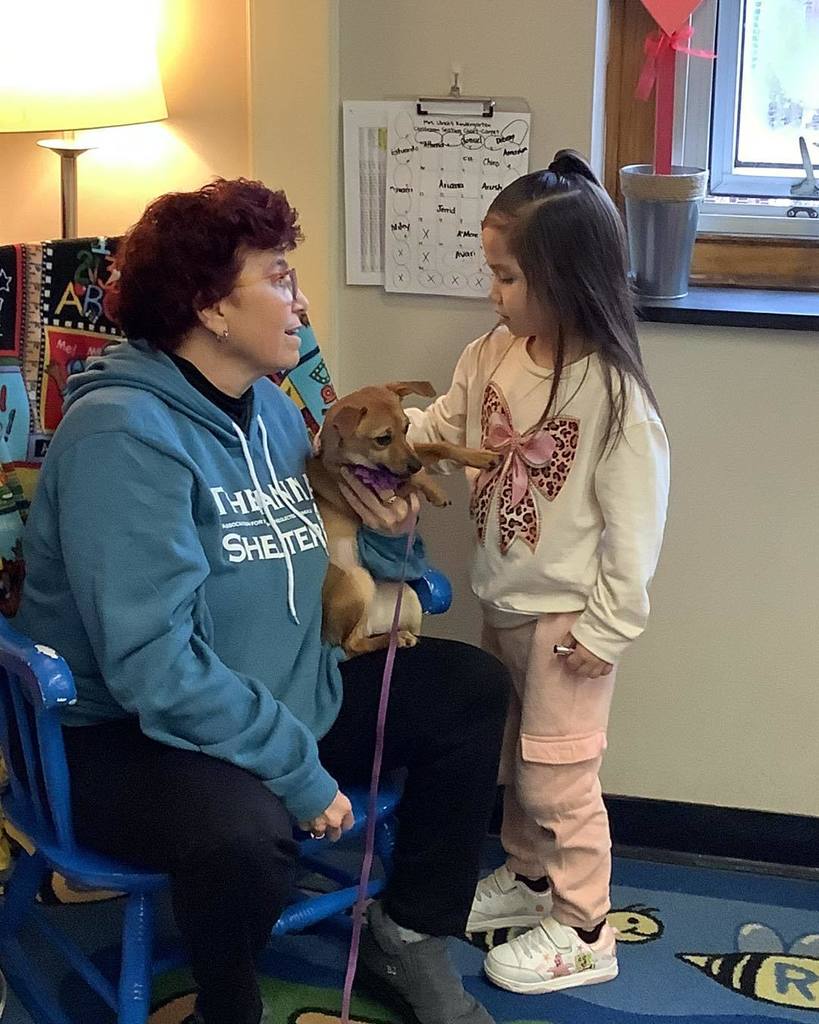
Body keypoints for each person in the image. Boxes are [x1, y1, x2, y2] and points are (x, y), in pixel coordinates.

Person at [14, 178, 510, 1024]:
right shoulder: (124, 438)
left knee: (470, 690)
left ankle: (411, 928)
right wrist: (297, 771)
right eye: (278, 277)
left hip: (272, 692)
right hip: (124, 736)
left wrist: (390, 527)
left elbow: (324, 554)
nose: (300, 300)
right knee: (245, 836)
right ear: (210, 305)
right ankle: (229, 1008)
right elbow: (154, 669)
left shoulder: (275, 418)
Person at [406, 151, 670, 995]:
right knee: (515, 758)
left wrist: (608, 629)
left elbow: (635, 530)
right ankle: (528, 883)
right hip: (505, 601)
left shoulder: (613, 396)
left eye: (508, 276)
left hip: (568, 626)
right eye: (493, 273)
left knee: (560, 778)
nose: (494, 292)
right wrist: (374, 433)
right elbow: (442, 425)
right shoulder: (491, 352)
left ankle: (587, 925)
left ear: (566, 277)